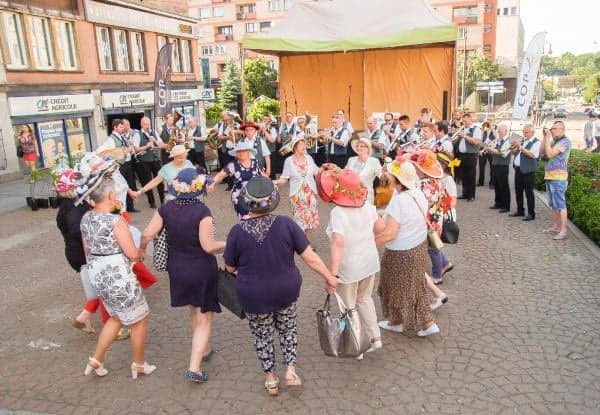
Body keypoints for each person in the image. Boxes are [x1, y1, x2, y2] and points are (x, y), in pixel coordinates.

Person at [223, 177, 338, 396]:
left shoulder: (236, 232)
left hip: (253, 294)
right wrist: (329, 276)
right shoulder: (286, 223)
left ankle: (271, 379)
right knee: (288, 328)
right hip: (286, 289)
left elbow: (229, 268)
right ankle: (291, 371)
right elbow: (310, 257)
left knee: (262, 335)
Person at [140, 168, 223, 383]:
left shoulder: (165, 209)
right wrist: (230, 244)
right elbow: (209, 246)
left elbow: (148, 233)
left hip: (177, 267)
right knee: (205, 317)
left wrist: (140, 251)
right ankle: (194, 368)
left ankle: (203, 350)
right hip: (201, 268)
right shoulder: (202, 212)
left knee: (193, 309)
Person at [79, 169, 155, 379]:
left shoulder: (86, 218)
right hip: (118, 276)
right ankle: (138, 363)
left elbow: (86, 249)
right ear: (112, 197)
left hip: (99, 273)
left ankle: (96, 360)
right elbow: (132, 254)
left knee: (115, 316)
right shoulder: (115, 221)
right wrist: (142, 248)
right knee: (139, 318)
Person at [321, 167, 385, 356]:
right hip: (369, 261)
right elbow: (380, 227)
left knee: (348, 306)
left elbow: (338, 243)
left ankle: (357, 346)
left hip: (349, 267)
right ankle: (375, 337)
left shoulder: (338, 212)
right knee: (365, 298)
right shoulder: (369, 206)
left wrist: (332, 273)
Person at [375, 157, 440, 337]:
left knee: (394, 286)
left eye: (392, 175)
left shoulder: (400, 200)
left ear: (397, 180)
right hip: (418, 247)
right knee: (415, 287)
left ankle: (401, 321)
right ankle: (426, 323)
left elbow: (390, 233)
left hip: (401, 252)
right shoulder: (417, 193)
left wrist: (370, 244)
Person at [55, 169, 98, 333]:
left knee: (96, 287)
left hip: (76, 253)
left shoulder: (70, 205)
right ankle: (84, 317)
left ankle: (84, 318)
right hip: (81, 254)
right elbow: (77, 232)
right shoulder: (72, 209)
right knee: (99, 287)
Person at [407, 149, 453, 285]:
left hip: (428, 220)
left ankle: (437, 275)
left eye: (417, 167)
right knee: (434, 244)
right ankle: (445, 263)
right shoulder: (438, 181)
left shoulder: (423, 184)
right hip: (437, 217)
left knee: (432, 249)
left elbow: (420, 203)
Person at [276, 136, 320, 242]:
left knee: (310, 220)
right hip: (297, 195)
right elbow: (284, 178)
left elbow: (316, 171)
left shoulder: (309, 158)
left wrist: (326, 170)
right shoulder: (289, 161)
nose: (304, 146)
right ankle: (301, 244)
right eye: (301, 144)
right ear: (295, 147)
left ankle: (307, 244)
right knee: (299, 221)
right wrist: (275, 182)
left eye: (304, 144)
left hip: (310, 193)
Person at [209, 141, 265, 220]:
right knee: (245, 219)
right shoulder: (233, 165)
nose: (241, 153)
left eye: (243, 151)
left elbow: (264, 176)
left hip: (255, 196)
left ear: (249, 152)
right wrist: (212, 183)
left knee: (258, 218)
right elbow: (220, 175)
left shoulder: (256, 163)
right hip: (240, 197)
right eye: (238, 151)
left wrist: (272, 185)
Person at [541, 121, 571, 240]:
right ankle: (556, 226)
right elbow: (542, 151)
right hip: (550, 176)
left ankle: (563, 230)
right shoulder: (555, 141)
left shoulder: (565, 141)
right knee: (553, 204)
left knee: (560, 204)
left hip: (559, 177)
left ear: (562, 129)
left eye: (554, 128)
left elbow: (550, 154)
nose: (552, 130)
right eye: (551, 128)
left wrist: (548, 138)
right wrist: (545, 138)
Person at [107, 119, 138, 212]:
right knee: (121, 186)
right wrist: (126, 151)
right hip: (120, 165)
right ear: (115, 127)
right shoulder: (111, 139)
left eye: (122, 126)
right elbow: (113, 153)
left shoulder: (122, 136)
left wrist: (131, 148)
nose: (122, 128)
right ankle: (121, 207)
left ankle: (130, 206)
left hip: (128, 163)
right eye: (120, 127)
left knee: (130, 184)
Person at [510, 123, 540, 221]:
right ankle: (520, 210)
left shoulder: (536, 142)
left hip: (528, 170)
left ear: (532, 132)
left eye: (526, 132)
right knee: (518, 191)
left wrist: (520, 146)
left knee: (529, 193)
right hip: (518, 169)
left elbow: (532, 154)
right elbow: (516, 153)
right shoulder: (523, 141)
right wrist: (513, 148)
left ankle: (531, 213)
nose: (524, 133)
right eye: (523, 132)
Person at [134, 117, 164, 208]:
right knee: (147, 181)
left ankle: (163, 200)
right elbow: (135, 149)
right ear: (141, 125)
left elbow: (160, 144)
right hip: (144, 161)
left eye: (149, 124)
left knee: (159, 180)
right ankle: (152, 202)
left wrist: (154, 141)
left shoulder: (153, 132)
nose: (148, 126)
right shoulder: (137, 134)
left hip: (155, 160)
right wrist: (146, 146)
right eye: (146, 124)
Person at [454, 113, 482, 201]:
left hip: (471, 154)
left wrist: (464, 136)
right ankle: (465, 193)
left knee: (471, 175)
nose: (464, 123)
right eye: (463, 121)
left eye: (465, 121)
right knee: (463, 175)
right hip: (462, 154)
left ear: (470, 120)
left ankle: (471, 195)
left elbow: (476, 142)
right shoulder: (463, 129)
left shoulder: (476, 129)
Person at [346, 138, 382, 205]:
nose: (358, 148)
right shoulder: (351, 160)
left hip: (366, 197)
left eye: (361, 146)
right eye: (357, 146)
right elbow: (344, 174)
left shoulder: (374, 161)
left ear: (368, 149)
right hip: (350, 195)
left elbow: (382, 176)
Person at [487, 125, 512, 213]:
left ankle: (506, 205)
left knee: (504, 185)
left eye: (501, 131)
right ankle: (498, 203)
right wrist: (489, 148)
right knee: (497, 184)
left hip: (503, 165)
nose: (499, 133)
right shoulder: (498, 139)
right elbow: (494, 148)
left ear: (506, 131)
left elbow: (503, 153)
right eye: (499, 131)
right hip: (495, 164)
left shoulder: (508, 141)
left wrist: (491, 150)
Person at [478, 120, 497, 188]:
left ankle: (492, 183)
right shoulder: (483, 130)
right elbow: (480, 140)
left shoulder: (495, 129)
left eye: (491, 120)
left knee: (492, 167)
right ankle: (480, 181)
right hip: (483, 149)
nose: (488, 124)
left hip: (491, 150)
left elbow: (496, 136)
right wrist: (483, 131)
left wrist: (491, 127)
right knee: (481, 167)